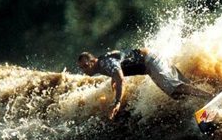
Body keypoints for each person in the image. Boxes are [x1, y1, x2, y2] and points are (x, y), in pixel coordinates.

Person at [77, 48, 211, 120]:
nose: (84, 70)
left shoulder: (104, 63)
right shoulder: (103, 63)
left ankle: (209, 96)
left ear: (93, 61)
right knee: (177, 94)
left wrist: (117, 102)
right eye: (81, 68)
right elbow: (118, 63)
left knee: (174, 89)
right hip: (150, 62)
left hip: (150, 61)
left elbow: (121, 79)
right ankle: (206, 102)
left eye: (85, 66)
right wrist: (114, 78)